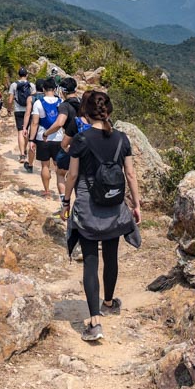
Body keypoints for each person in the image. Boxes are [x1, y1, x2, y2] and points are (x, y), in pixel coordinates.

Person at [62, 90, 142, 342]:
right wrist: (136, 204)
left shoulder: (81, 139)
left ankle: (95, 322)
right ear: (109, 111)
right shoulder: (121, 138)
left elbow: (72, 176)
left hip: (87, 205)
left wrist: (66, 201)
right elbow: (130, 174)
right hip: (115, 205)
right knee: (111, 255)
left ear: (85, 111)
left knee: (90, 260)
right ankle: (108, 301)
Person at [43, 77, 83, 191]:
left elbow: (59, 123)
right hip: (86, 141)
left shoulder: (64, 105)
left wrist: (46, 133)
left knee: (60, 173)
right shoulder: (83, 102)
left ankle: (65, 204)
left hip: (70, 142)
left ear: (63, 91)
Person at [27, 77, 64, 197]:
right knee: (59, 165)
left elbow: (34, 123)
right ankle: (62, 192)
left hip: (42, 138)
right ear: (55, 89)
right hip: (58, 138)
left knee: (45, 165)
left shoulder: (38, 103)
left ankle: (47, 190)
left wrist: (31, 140)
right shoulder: (61, 102)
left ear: (43, 89)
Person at [8, 67, 34, 170]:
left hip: (18, 110)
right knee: (26, 130)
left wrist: (9, 109)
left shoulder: (14, 85)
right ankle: (25, 150)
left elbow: (10, 100)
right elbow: (33, 98)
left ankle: (22, 154)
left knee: (20, 131)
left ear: (18, 75)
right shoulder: (31, 85)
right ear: (27, 75)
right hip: (29, 110)